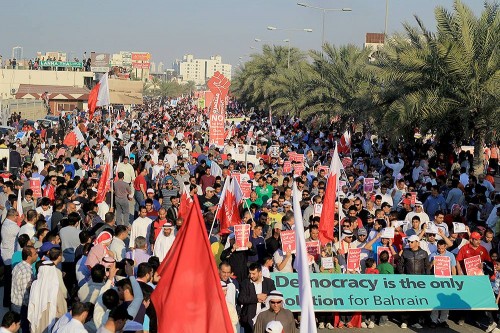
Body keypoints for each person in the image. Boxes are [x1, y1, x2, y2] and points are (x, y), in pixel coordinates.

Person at [238, 263, 276, 333]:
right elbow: (241, 299)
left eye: (254, 274)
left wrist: (266, 299)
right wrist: (256, 297)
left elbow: (274, 297)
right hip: (249, 318)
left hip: (265, 317)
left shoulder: (269, 282)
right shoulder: (245, 283)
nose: (251, 276)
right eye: (250, 273)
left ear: (260, 273)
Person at [11, 245, 37, 333]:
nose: (37, 255)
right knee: (24, 329)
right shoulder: (26, 271)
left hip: (15, 303)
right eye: (35, 254)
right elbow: (26, 293)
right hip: (22, 307)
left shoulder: (18, 265)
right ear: (29, 257)